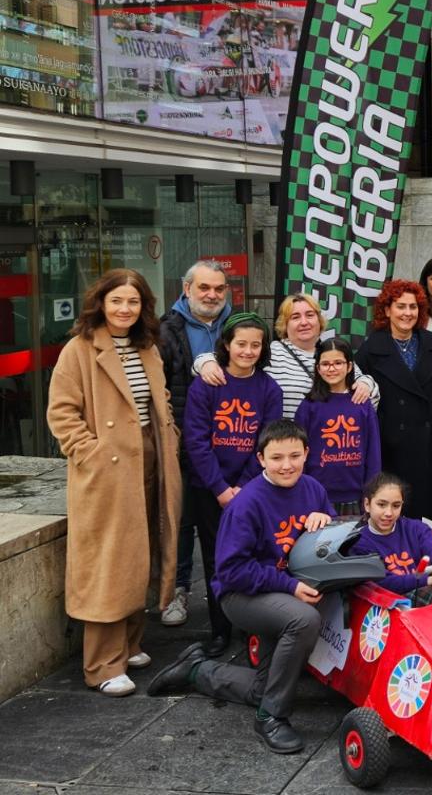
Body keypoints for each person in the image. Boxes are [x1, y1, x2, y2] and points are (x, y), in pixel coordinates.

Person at [147, 420, 333, 754]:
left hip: (283, 590)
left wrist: (326, 520)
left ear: (307, 453)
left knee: (266, 685)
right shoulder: (246, 503)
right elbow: (231, 571)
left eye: (294, 455)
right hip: (242, 595)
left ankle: (197, 670)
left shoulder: (314, 489)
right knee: (303, 619)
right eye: (277, 458)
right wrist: (289, 587)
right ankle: (271, 716)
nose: (286, 465)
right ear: (261, 458)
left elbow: (329, 536)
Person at [47, 268, 182, 696]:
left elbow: (159, 401)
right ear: (101, 303)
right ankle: (102, 664)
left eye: (134, 301)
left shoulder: (147, 347)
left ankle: (129, 643)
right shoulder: (79, 349)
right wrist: (93, 455)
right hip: (108, 466)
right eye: (117, 301)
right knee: (109, 561)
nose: (125, 309)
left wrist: (170, 437)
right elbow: (62, 414)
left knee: (143, 550)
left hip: (149, 459)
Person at [184, 312, 283, 657]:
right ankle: (220, 629)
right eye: (241, 343)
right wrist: (220, 488)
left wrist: (241, 488)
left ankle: (251, 626)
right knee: (214, 559)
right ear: (226, 345)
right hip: (209, 487)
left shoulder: (269, 388)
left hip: (252, 489)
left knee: (253, 555)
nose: (248, 350)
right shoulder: (206, 385)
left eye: (256, 344)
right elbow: (197, 441)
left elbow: (267, 442)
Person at [159, 259, 231, 627]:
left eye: (219, 289)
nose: (212, 295)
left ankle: (227, 594)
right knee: (182, 520)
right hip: (184, 444)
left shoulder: (237, 326)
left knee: (227, 524)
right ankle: (179, 590)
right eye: (204, 288)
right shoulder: (167, 331)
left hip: (232, 445)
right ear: (187, 290)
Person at [356, 280, 432, 532]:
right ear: (387, 310)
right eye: (400, 306)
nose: (407, 313)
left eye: (413, 307)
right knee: (397, 511)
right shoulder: (371, 349)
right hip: (392, 448)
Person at [197, 293, 377, 419]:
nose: (304, 322)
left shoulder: (332, 353)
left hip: (328, 444)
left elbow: (370, 391)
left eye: (310, 315)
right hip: (285, 449)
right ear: (285, 324)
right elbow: (228, 358)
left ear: (319, 320)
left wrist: (365, 384)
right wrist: (206, 363)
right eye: (295, 317)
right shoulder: (271, 352)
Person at [294, 337, 382, 520]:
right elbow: (298, 452)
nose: (331, 368)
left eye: (338, 363)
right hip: (318, 497)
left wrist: (372, 492)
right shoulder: (309, 406)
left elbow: (373, 453)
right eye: (325, 364)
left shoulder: (362, 404)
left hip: (356, 497)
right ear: (318, 368)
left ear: (349, 366)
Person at [351, 473, 432, 600]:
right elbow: (382, 581)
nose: (389, 513)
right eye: (381, 505)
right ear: (367, 505)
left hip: (414, 587)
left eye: (396, 506)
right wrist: (426, 579)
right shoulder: (358, 541)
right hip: (383, 599)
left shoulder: (415, 528)